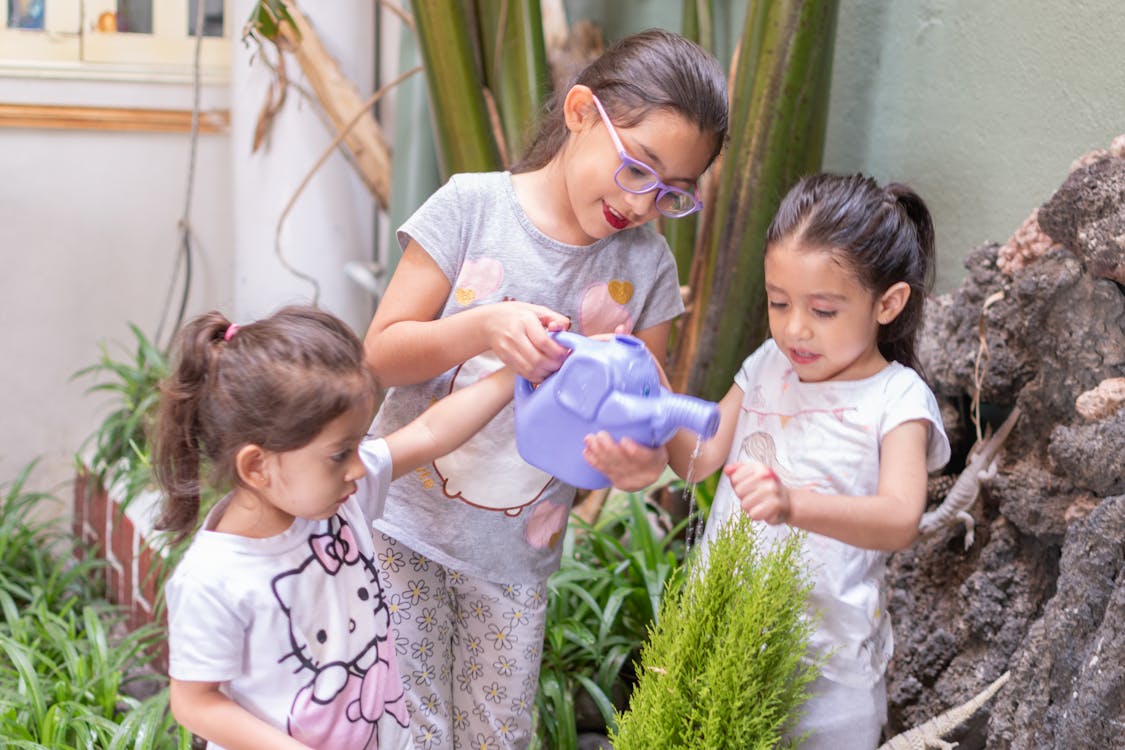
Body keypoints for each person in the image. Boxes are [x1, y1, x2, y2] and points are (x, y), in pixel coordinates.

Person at [362, 28, 728, 748]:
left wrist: (638, 464)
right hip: (399, 526)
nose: (644, 203)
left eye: (672, 193)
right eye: (637, 169)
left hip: (515, 560)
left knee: (497, 735)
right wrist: (482, 328)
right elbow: (382, 353)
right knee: (407, 732)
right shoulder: (471, 209)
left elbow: (643, 418)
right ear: (581, 112)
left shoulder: (645, 267)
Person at [659, 173, 951, 749]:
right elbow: (696, 460)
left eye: (822, 310)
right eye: (778, 302)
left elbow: (899, 519)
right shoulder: (769, 364)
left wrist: (793, 504)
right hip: (722, 646)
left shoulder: (897, 400)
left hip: (826, 673)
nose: (795, 328)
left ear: (888, 303)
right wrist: (652, 408)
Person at [152, 305, 520, 750]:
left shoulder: (338, 501)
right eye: (339, 452)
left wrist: (515, 375)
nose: (358, 468)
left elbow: (430, 433)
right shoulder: (213, 579)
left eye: (358, 444)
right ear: (257, 465)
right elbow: (195, 703)